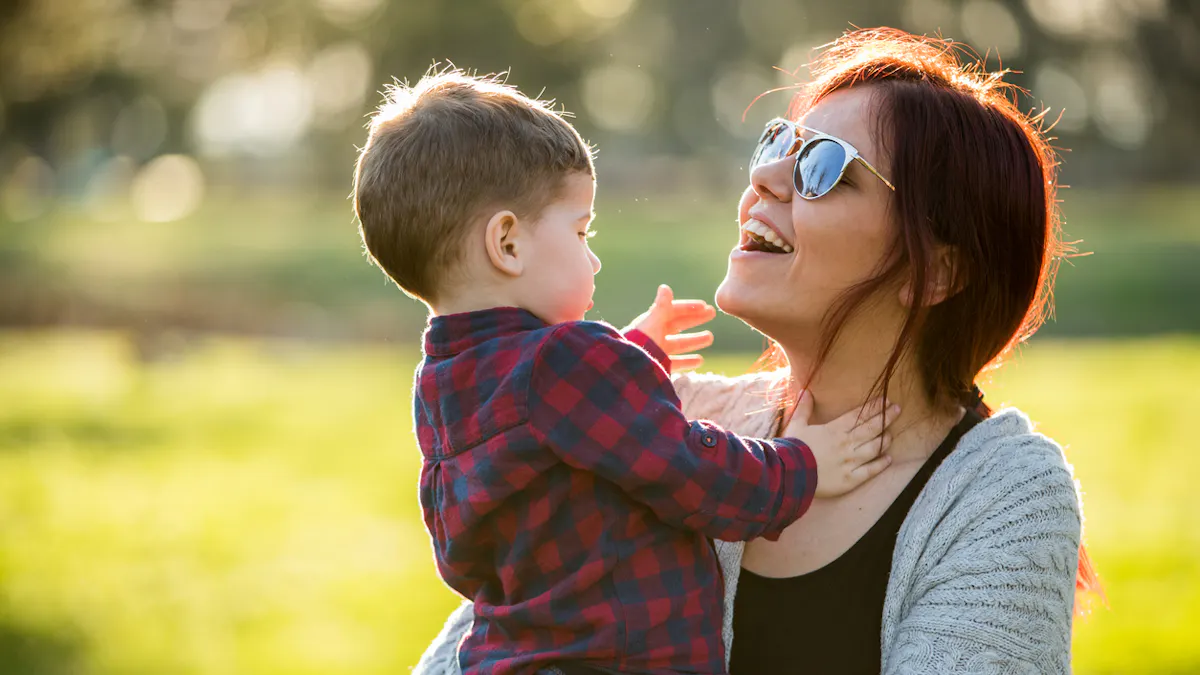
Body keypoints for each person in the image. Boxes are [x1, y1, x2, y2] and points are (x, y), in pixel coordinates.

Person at [414, 28, 1095, 675]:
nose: (766, 177)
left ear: (934, 273)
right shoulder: (666, 413)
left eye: (824, 168)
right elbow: (498, 634)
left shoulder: (1003, 492)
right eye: (778, 143)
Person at [352, 69, 898, 675]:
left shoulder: (439, 387)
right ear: (507, 243)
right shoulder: (565, 362)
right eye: (581, 230)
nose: (594, 256)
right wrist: (803, 464)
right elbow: (690, 470)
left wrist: (634, 351)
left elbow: (468, 549)